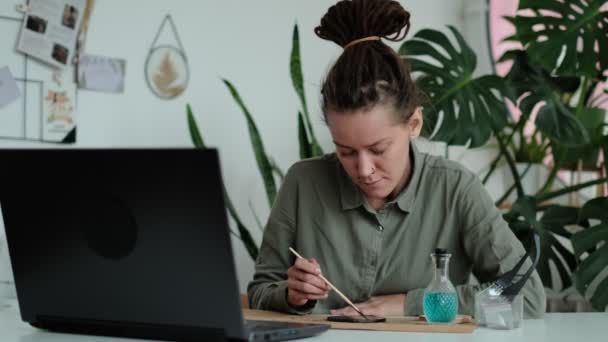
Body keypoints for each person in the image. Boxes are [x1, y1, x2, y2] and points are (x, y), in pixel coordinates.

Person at [247, 0, 546, 318]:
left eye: (378, 150)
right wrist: (292, 296)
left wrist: (411, 303)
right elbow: (261, 290)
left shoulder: (456, 189)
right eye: (345, 151)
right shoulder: (303, 183)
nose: (363, 170)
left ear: (414, 124)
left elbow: (522, 293)